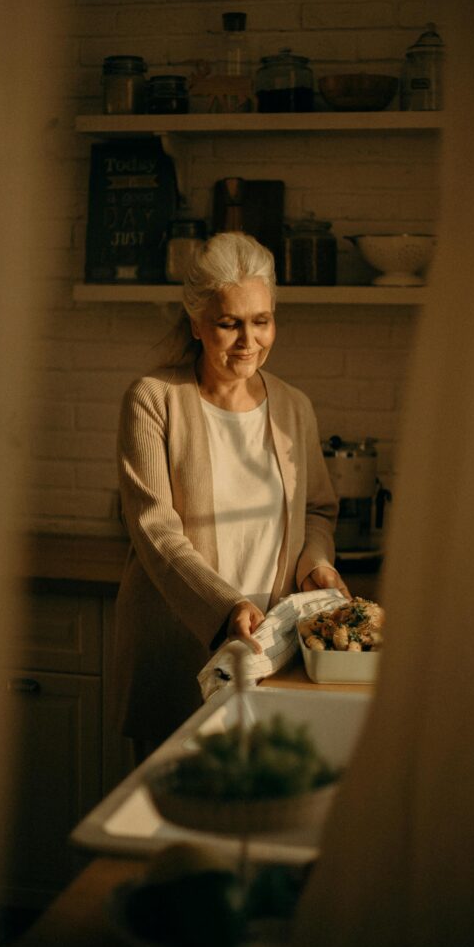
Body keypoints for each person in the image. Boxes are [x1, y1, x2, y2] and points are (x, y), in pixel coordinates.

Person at [113, 232, 349, 761]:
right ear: (196, 323)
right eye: (229, 323)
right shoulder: (153, 400)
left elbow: (316, 508)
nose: (249, 340)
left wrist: (316, 562)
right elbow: (155, 529)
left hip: (272, 653)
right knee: (170, 824)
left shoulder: (294, 406)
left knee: (259, 816)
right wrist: (226, 609)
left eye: (261, 320)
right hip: (177, 650)